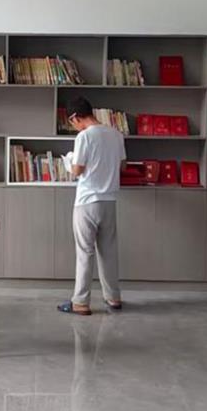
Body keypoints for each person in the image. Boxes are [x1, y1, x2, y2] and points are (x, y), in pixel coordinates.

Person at [59, 96, 125, 316]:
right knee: (109, 252)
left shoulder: (84, 136)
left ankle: (80, 302)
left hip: (87, 202)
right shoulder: (116, 134)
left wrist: (68, 161)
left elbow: (77, 170)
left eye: (72, 123)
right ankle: (113, 298)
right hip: (109, 201)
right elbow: (123, 165)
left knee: (85, 252)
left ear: (75, 118)